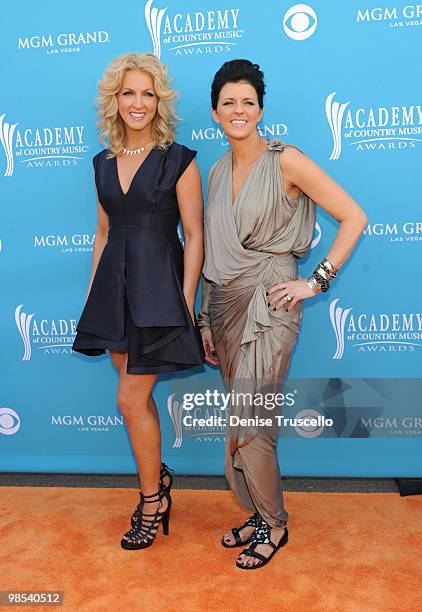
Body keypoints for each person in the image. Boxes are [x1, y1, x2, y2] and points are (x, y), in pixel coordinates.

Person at [198, 59, 367, 570]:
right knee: (240, 423)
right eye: (229, 102)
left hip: (271, 309)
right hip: (225, 310)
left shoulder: (286, 160)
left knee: (252, 423)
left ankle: (274, 525)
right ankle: (255, 512)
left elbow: (353, 217)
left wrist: (315, 281)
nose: (238, 110)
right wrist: (206, 320)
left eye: (247, 101)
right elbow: (213, 255)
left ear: (261, 109)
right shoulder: (216, 169)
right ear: (215, 112)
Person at [72, 52, 205, 550]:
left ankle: (152, 500)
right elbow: (103, 232)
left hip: (159, 288)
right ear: (115, 99)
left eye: (147, 93)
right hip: (113, 290)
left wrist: (187, 300)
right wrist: (93, 294)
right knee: (137, 401)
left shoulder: (180, 159)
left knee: (129, 397)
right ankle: (158, 480)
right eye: (129, 92)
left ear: (159, 101)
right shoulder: (102, 163)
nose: (138, 102)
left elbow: (194, 235)